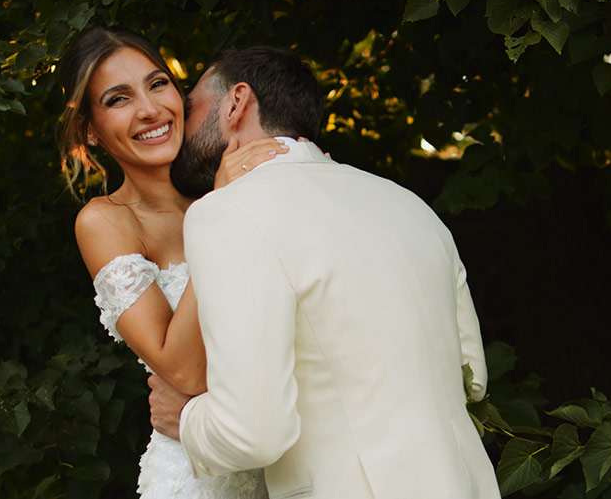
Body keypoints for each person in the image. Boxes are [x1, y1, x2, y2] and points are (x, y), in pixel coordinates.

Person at [148, 46, 501, 499]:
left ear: (236, 103)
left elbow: (254, 432)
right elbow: (471, 378)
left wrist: (188, 420)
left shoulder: (228, 211)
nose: (181, 121)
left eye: (192, 105)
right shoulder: (408, 204)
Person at [58, 26, 284, 499]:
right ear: (90, 132)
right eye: (118, 99)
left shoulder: (235, 186)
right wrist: (223, 212)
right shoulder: (107, 221)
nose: (150, 109)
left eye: (157, 83)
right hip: (197, 477)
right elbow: (183, 370)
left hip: (289, 461)